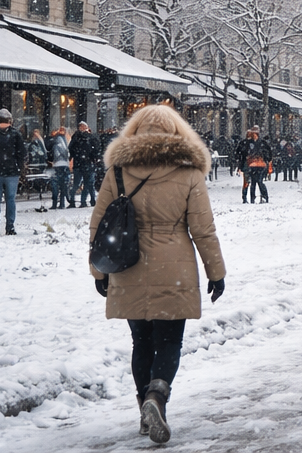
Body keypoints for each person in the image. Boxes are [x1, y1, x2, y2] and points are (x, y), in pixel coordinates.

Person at [89, 104, 225, 446]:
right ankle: (158, 396)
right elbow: (203, 229)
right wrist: (216, 271)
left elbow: (99, 224)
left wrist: (98, 271)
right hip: (173, 265)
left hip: (127, 264)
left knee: (141, 342)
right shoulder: (189, 172)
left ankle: (143, 410)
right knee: (169, 341)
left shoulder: (118, 171)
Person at [71, 121, 103, 207]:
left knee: (87, 184)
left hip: (85, 163)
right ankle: (80, 201)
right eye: (81, 126)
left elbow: (71, 149)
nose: (82, 128)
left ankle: (83, 201)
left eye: (83, 126)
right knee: (82, 184)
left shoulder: (82, 137)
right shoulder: (84, 137)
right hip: (83, 164)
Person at [240, 127, 272, 203]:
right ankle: (254, 198)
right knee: (254, 182)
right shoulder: (252, 143)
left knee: (256, 182)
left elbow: (268, 153)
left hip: (257, 165)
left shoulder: (254, 143)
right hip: (252, 165)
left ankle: (255, 198)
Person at [48, 127, 74, 209]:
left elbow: (55, 155)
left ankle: (55, 203)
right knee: (63, 185)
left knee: (55, 185)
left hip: (57, 165)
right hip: (65, 165)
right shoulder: (66, 142)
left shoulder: (56, 142)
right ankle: (62, 203)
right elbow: (68, 154)